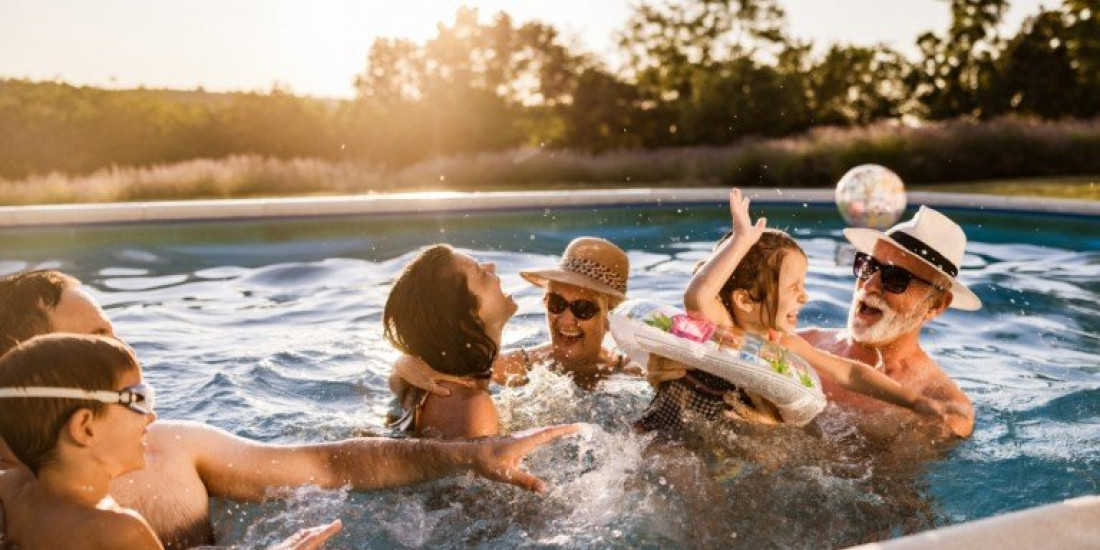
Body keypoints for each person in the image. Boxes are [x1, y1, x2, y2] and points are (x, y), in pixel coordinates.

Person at [0, 270, 579, 549]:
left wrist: (472, 456)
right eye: (98, 336)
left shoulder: (174, 447)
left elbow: (330, 463)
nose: (123, 347)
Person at [648, 195, 978, 439]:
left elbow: (884, 496)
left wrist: (778, 436)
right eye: (867, 265)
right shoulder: (793, 341)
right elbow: (698, 301)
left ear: (937, 305)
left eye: (896, 279)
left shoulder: (944, 410)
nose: (870, 284)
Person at [0, 334, 344, 550]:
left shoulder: (11, 496)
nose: (151, 417)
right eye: (138, 400)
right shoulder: (119, 529)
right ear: (85, 428)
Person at [391, 237, 640, 394]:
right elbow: (443, 369)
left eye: (582, 308)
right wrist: (405, 366)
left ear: (608, 318)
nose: (565, 320)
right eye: (556, 303)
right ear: (544, 302)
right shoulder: (523, 366)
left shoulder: (633, 372)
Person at [384, 244, 515, 438]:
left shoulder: (424, 383)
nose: (492, 267)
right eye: (481, 273)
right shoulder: (471, 406)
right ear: (470, 315)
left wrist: (402, 364)